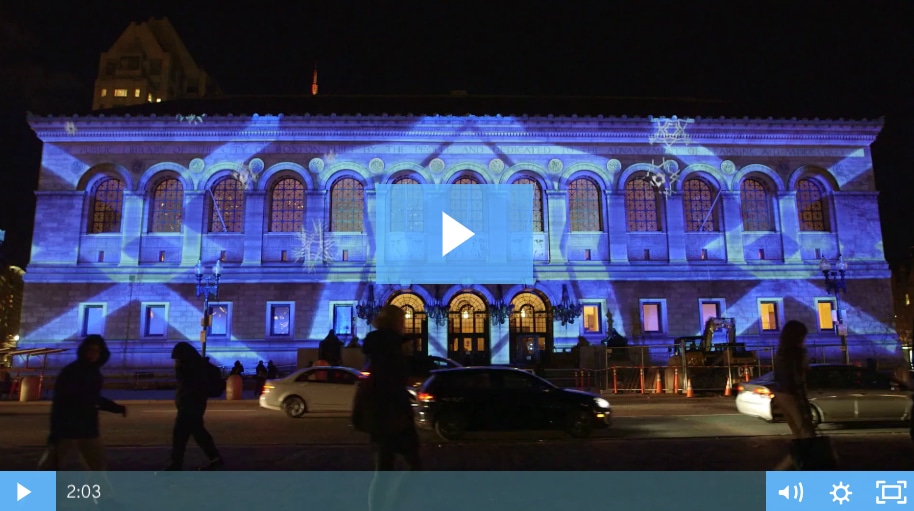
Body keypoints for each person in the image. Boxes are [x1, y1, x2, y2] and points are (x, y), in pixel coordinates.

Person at [38, 335, 127, 470]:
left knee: (97, 464)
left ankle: (101, 490)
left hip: (86, 426)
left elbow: (92, 398)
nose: (93, 354)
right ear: (84, 351)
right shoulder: (73, 372)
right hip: (68, 426)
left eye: (96, 351)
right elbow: (69, 400)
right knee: (51, 465)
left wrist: (114, 407)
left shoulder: (91, 372)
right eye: (90, 350)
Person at [359, 305, 421, 471]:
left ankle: (383, 497)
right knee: (414, 465)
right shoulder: (394, 347)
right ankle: (400, 496)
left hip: (378, 416)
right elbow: (395, 380)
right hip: (395, 415)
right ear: (395, 322)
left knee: (384, 469)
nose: (404, 325)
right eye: (402, 321)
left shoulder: (375, 348)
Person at [166, 342, 223, 471]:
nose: (175, 363)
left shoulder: (190, 370)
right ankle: (215, 459)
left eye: (177, 359)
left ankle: (176, 464)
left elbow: (187, 389)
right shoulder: (195, 367)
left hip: (189, 407)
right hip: (193, 406)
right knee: (198, 433)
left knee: (180, 435)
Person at [772, 320, 817, 470]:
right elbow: (799, 380)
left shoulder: (781, 353)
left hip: (781, 394)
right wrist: (804, 404)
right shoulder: (798, 353)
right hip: (792, 395)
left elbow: (780, 376)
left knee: (800, 438)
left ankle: (782, 471)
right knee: (807, 439)